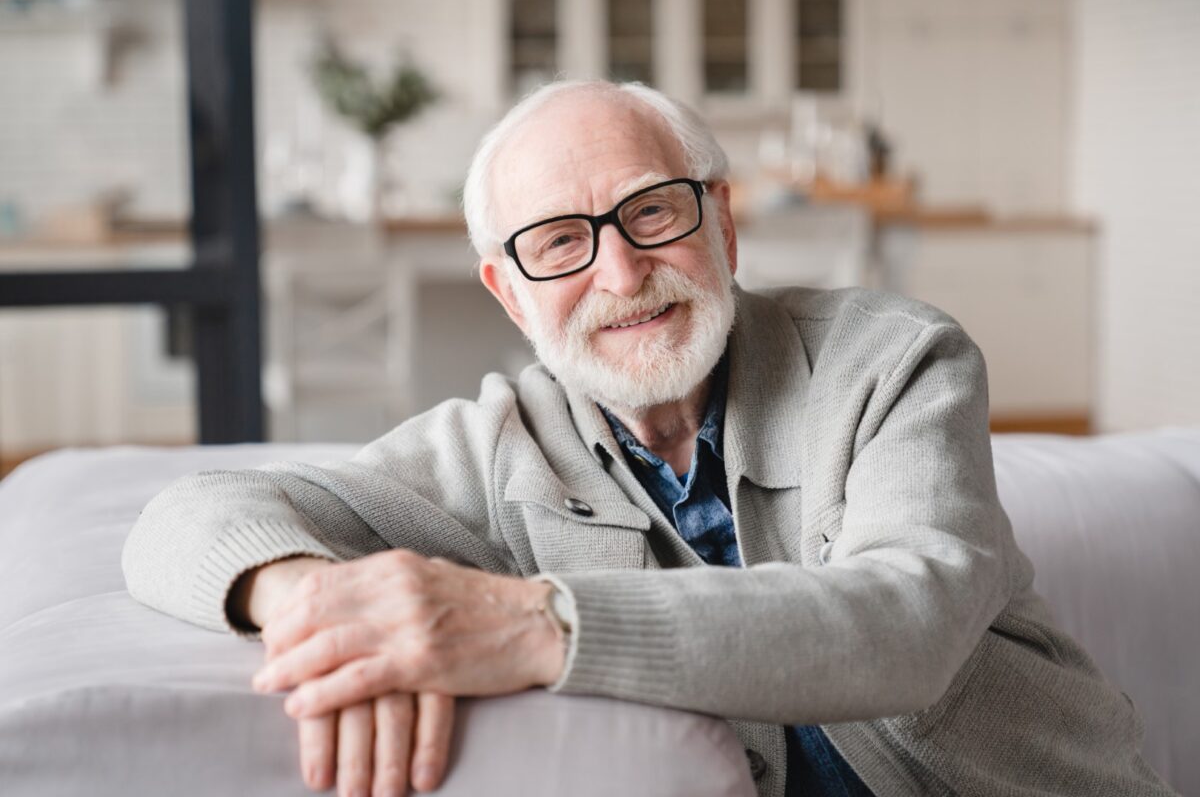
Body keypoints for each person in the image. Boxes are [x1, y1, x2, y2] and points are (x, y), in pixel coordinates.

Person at [123, 80, 1173, 797]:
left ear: (721, 218)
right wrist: (318, 600)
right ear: (509, 290)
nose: (622, 274)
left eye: (652, 212)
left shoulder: (891, 360)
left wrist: (523, 621)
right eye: (559, 241)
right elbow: (186, 516)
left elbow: (909, 620)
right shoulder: (499, 445)